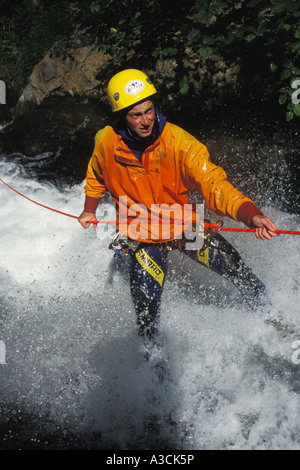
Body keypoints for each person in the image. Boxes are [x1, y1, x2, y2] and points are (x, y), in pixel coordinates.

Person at [78, 69, 278, 356]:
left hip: (184, 225)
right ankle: (153, 370)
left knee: (239, 272)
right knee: (146, 313)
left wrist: (251, 215)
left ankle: (272, 319)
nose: (146, 120)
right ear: (122, 115)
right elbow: (96, 176)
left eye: (149, 111)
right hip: (142, 234)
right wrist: (89, 211)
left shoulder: (180, 142)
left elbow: (214, 185)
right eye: (136, 115)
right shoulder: (106, 143)